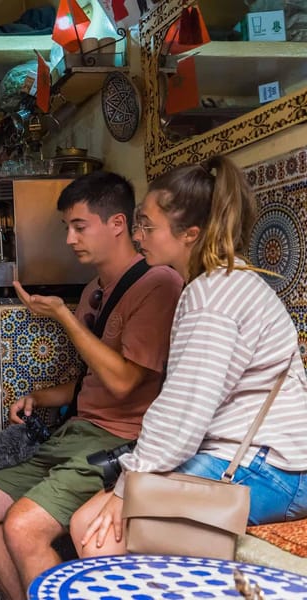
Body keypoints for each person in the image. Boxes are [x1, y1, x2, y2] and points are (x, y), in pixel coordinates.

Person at [0, 171, 184, 600]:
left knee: (23, 526)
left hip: (121, 441)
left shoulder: (159, 285)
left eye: (80, 227)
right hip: (77, 432)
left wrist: (62, 316)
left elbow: (123, 384)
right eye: (68, 228)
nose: (70, 239)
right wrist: (38, 397)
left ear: (117, 223)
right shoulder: (95, 289)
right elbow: (88, 383)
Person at [70, 156, 307, 558]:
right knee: (94, 519)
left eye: (147, 224)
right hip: (263, 462)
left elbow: (184, 411)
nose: (138, 233)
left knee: (96, 531)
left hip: (273, 470)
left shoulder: (211, 298)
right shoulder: (221, 283)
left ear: (190, 234)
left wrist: (127, 487)